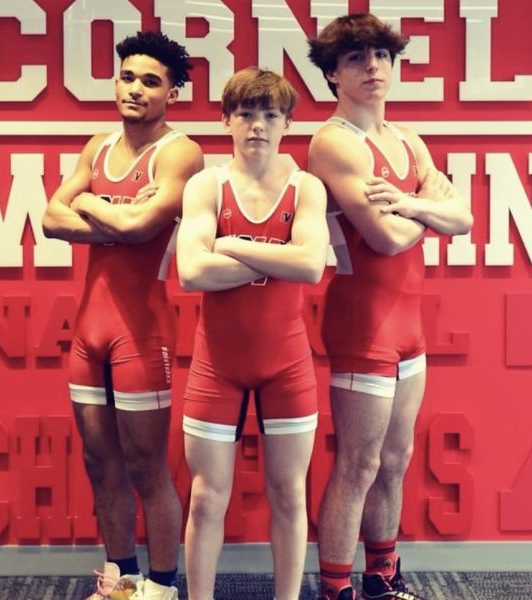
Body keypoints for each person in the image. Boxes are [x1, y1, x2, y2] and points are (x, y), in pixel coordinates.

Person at [307, 14, 474, 600]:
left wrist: (405, 202)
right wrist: (426, 206)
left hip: (409, 324)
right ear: (333, 73)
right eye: (355, 58)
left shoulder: (407, 141)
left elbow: (465, 218)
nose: (373, 67)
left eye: (381, 55)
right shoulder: (330, 140)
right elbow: (382, 239)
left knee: (396, 459)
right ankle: (334, 588)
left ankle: (381, 578)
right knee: (358, 463)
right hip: (363, 322)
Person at [42, 30, 204, 600]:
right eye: (127, 77)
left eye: (151, 82)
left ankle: (161, 587)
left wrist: (85, 202)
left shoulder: (180, 152)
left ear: (173, 93)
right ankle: (121, 579)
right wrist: (102, 206)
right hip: (89, 330)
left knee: (145, 464)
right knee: (97, 460)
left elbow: (142, 228)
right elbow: (49, 219)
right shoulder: (97, 147)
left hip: (142, 330)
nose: (135, 90)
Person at [175, 67, 329, 600]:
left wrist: (231, 245)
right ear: (226, 121)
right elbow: (191, 273)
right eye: (245, 113)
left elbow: (310, 265)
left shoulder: (306, 188)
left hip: (287, 365)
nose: (257, 125)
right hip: (216, 365)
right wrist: (275, 259)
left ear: (287, 123)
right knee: (206, 499)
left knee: (289, 495)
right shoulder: (205, 185)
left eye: (269, 114)